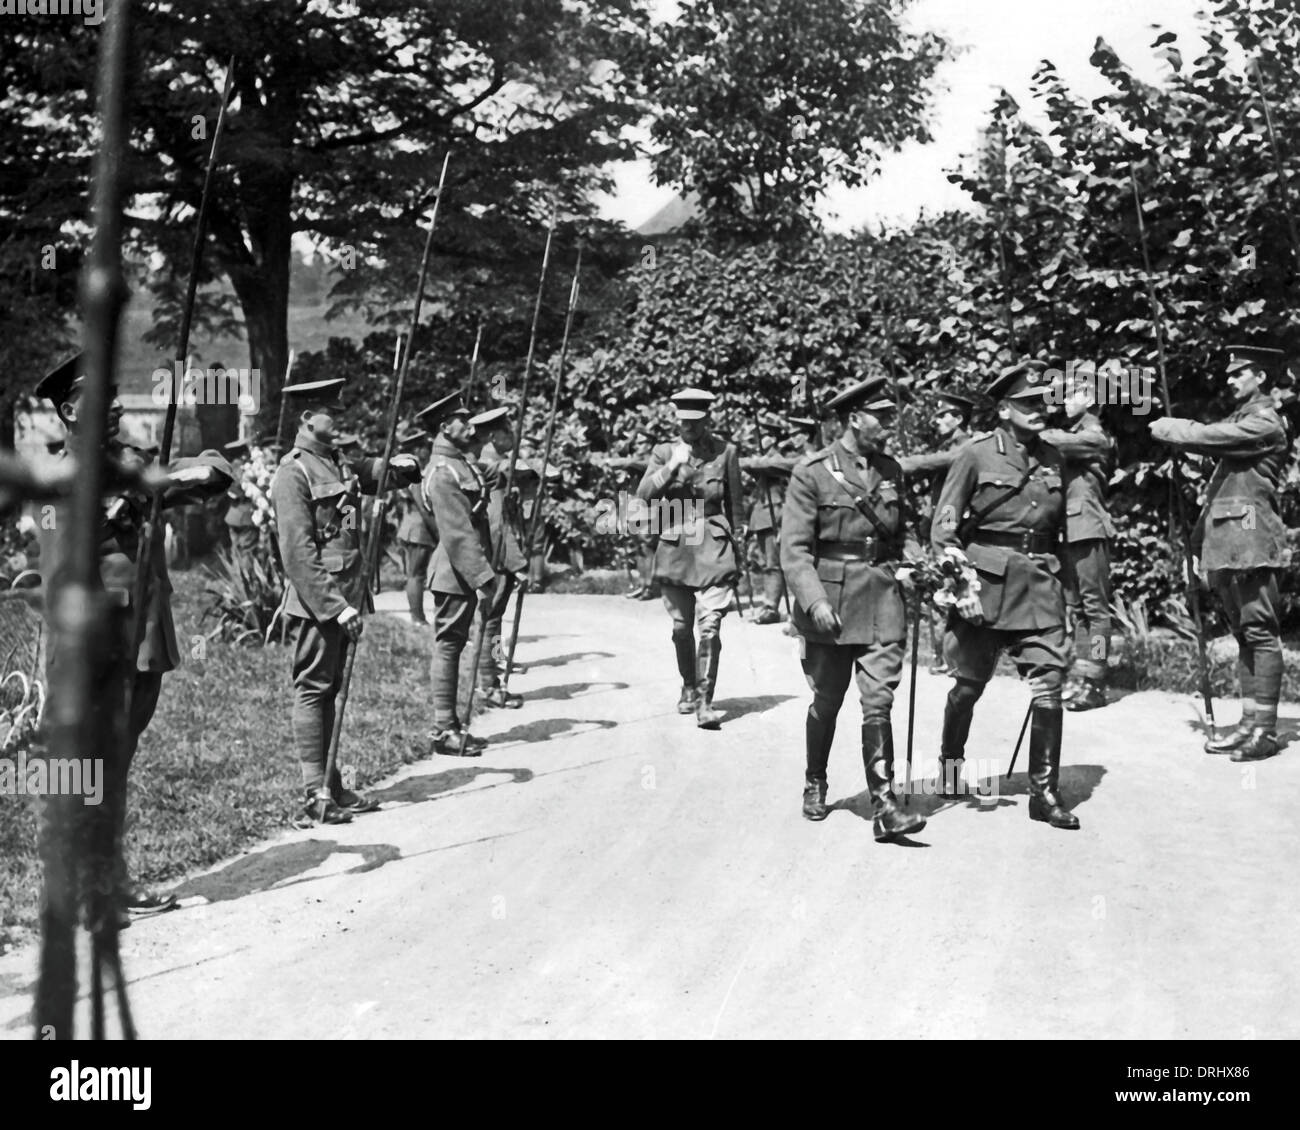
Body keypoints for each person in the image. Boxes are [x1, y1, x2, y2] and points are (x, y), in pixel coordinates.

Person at [34, 352, 235, 915]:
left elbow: (206, 473)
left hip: (141, 638)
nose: (118, 402)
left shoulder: (132, 462)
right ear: (72, 411)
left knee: (115, 760)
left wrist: (203, 471)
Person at [931, 360, 1080, 830]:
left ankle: (1044, 792)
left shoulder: (1055, 458)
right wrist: (959, 588)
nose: (1040, 410)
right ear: (1004, 409)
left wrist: (1071, 601)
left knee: (1049, 686)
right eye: (1029, 403)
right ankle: (950, 767)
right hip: (985, 586)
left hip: (1039, 585)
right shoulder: (974, 456)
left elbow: (1064, 534)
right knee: (968, 687)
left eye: (1045, 403)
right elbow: (943, 531)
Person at [781, 377, 927, 841]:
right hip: (832, 602)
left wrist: (920, 562)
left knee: (878, 700)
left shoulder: (891, 469)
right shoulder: (813, 472)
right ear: (853, 419)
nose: (887, 423)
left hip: (882, 595)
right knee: (827, 699)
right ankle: (815, 778)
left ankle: (884, 806)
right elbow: (795, 549)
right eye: (880, 416)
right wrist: (814, 600)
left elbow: (903, 531)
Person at [270, 377, 420, 825]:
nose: (341, 419)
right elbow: (298, 554)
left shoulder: (337, 462)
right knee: (314, 688)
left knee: (331, 688)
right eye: (331, 413)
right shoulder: (292, 472)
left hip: (348, 595)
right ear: (306, 419)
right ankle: (313, 793)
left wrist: (401, 467)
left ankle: (331, 784)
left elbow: (373, 475)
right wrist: (337, 606)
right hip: (321, 602)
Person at [1150, 343, 1291, 762]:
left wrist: (1173, 428)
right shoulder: (1242, 421)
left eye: (1238, 373)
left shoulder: (1265, 423)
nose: (1229, 380)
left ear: (1261, 376)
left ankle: (1265, 730)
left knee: (1261, 633)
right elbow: (1218, 493)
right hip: (1229, 543)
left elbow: (1210, 438)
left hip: (1250, 540)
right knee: (1245, 633)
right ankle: (1249, 723)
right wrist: (1195, 544)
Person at [636, 388, 743, 729]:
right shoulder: (664, 452)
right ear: (676, 420)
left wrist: (739, 550)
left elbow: (736, 506)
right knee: (682, 628)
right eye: (684, 422)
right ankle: (688, 683)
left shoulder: (725, 452)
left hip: (713, 545)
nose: (689, 429)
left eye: (696, 422)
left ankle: (704, 701)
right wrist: (671, 467)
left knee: (710, 624)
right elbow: (643, 494)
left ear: (707, 419)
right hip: (676, 545)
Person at [420, 390, 497, 755]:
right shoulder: (442, 472)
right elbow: (458, 533)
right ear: (443, 427)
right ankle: (443, 728)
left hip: (461, 570)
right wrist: (482, 578)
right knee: (449, 647)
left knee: (454, 645)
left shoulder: (460, 463)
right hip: (454, 572)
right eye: (461, 420)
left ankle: (451, 725)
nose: (469, 425)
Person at [1041, 366, 1117, 712]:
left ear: (1089, 398)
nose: (1065, 400)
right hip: (1071, 531)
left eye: (1071, 394)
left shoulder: (1093, 435)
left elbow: (1057, 442)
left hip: (1088, 528)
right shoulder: (1072, 434)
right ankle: (1083, 675)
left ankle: (1097, 681)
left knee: (1096, 611)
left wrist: (1032, 433)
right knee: (1080, 611)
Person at [898, 391, 975, 674]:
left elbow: (936, 466)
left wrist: (903, 465)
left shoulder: (966, 447)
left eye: (943, 415)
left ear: (958, 418)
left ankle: (956, 660)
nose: (937, 421)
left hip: (959, 532)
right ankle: (948, 658)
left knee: (956, 593)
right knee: (943, 594)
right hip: (941, 528)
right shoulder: (950, 446)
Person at [468, 404, 526, 709]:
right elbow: (496, 522)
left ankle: (491, 674)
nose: (513, 435)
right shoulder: (492, 471)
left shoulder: (499, 465)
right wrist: (517, 563)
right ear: (493, 435)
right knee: (489, 620)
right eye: (507, 430)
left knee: (493, 620)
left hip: (500, 553)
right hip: (497, 556)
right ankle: (487, 683)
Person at [741, 414, 820, 625]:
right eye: (791, 434)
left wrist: (740, 461)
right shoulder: (777, 458)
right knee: (770, 562)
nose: (793, 439)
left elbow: (773, 473)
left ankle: (776, 608)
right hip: (766, 514)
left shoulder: (783, 459)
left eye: (797, 434)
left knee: (778, 563)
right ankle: (775, 606)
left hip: (777, 514)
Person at [394, 426, 437, 624]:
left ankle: (417, 616)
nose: (428, 451)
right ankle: (417, 617)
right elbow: (422, 506)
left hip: (413, 528)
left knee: (415, 574)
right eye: (425, 447)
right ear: (419, 450)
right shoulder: (415, 472)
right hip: (419, 530)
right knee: (416, 575)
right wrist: (437, 531)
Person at [221, 438, 259, 556]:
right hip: (246, 514)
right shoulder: (242, 467)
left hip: (234, 514)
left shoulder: (230, 467)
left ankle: (239, 572)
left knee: (236, 549)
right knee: (247, 551)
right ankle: (246, 573)